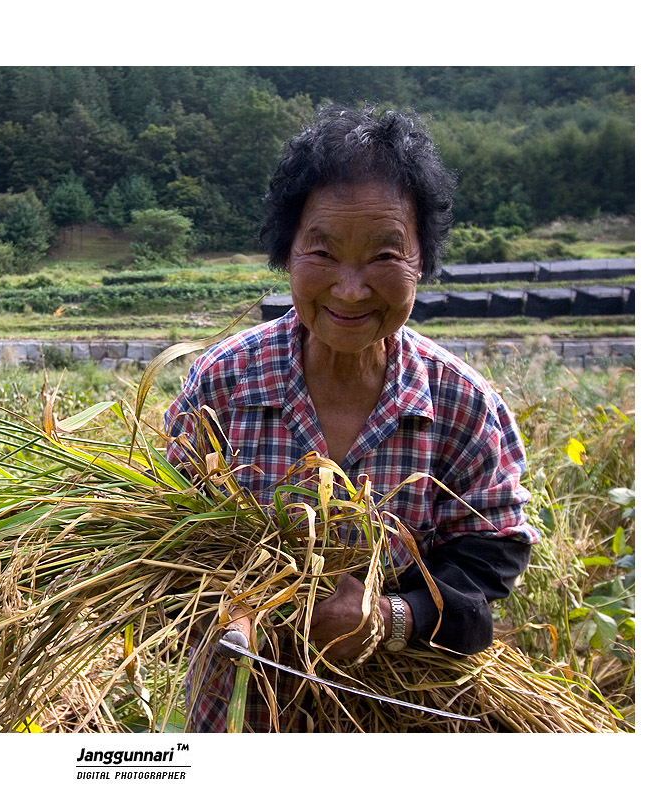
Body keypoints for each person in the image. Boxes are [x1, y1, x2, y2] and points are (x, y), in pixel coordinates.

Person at [163, 105, 539, 732]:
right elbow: (169, 540)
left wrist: (393, 616)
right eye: (323, 252)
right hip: (240, 716)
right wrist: (229, 610)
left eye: (385, 256)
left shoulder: (460, 404)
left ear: (423, 263)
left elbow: (491, 556)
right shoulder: (223, 384)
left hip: (399, 719)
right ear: (288, 253)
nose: (350, 289)